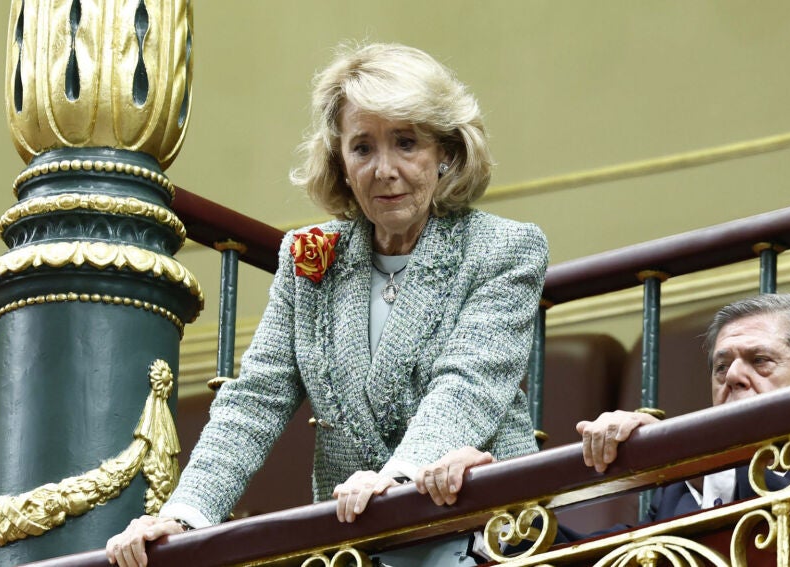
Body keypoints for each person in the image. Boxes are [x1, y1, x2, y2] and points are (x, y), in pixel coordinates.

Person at [106, 42, 547, 567]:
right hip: (362, 545)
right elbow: (254, 403)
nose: (384, 169)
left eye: (406, 143)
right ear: (340, 163)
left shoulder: (505, 248)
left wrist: (396, 481)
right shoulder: (309, 258)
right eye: (363, 147)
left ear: (446, 152)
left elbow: (468, 386)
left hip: (490, 533)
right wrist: (183, 515)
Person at [423, 294, 790, 531]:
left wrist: (689, 463)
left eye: (760, 361)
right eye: (722, 366)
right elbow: (601, 558)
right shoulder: (677, 494)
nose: (735, 377)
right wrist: (496, 509)